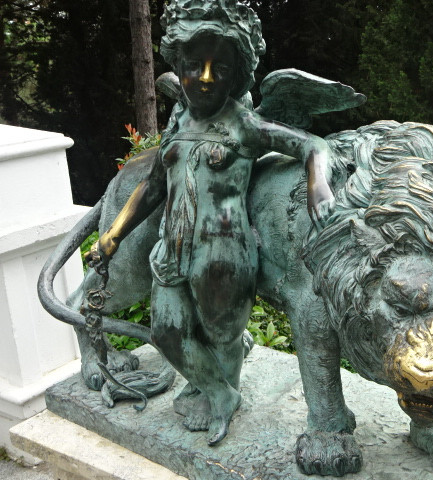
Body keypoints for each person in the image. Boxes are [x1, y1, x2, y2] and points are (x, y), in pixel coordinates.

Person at [88, 0, 334, 446]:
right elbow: (152, 186)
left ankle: (217, 392)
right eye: (193, 66)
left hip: (224, 255)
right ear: (178, 65)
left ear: (235, 75)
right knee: (166, 333)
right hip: (170, 249)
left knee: (223, 336)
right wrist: (113, 235)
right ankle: (223, 395)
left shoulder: (244, 123)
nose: (204, 78)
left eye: (219, 69)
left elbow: (313, 145)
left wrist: (318, 184)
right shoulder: (179, 121)